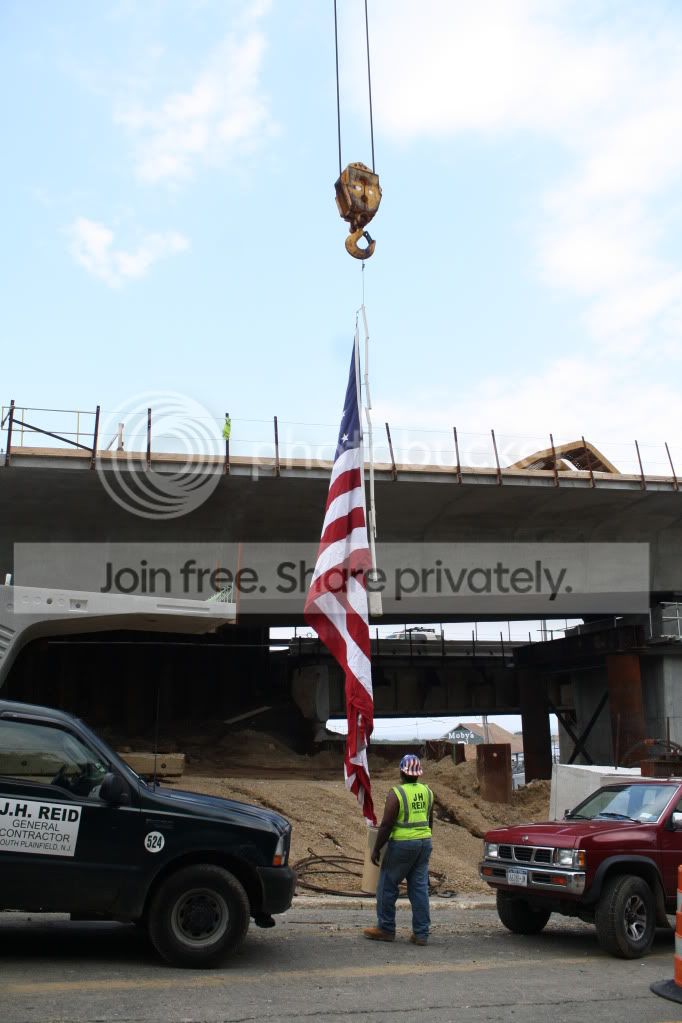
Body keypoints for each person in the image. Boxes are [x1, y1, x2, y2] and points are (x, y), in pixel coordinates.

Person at [362, 753, 433, 946]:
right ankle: (421, 933)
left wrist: (376, 849)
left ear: (402, 771)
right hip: (424, 843)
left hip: (402, 845)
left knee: (387, 885)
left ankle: (385, 929)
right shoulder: (428, 791)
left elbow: (386, 825)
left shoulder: (397, 793)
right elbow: (429, 821)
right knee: (419, 889)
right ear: (418, 773)